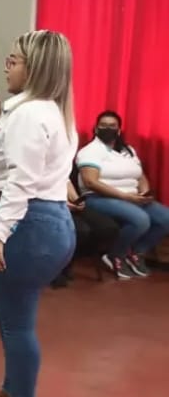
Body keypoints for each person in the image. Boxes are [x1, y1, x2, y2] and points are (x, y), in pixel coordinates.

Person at [0, 30, 77, 397]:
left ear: (34, 68)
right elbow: (10, 161)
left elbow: (19, 181)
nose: (7, 66)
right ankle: (13, 388)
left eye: (14, 61)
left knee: (16, 325)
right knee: (16, 319)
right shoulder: (48, 111)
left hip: (25, 223)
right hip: (47, 222)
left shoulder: (29, 115)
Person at [76, 110, 169, 279]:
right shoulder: (89, 151)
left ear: (119, 130)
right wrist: (126, 197)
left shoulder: (128, 151)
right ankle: (115, 255)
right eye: (103, 125)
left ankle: (137, 252)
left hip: (131, 197)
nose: (107, 129)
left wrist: (144, 192)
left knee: (165, 218)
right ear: (96, 129)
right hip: (98, 197)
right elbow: (91, 182)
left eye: (112, 126)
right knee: (140, 219)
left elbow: (140, 175)